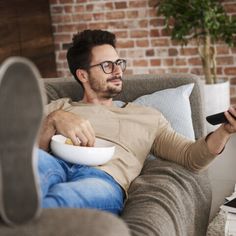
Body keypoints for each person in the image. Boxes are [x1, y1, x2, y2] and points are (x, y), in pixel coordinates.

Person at [0, 29, 235, 226]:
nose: (118, 70)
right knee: (32, 168)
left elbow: (191, 156)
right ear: (82, 74)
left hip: (103, 178)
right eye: (107, 65)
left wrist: (224, 131)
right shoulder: (58, 107)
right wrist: (53, 120)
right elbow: (29, 152)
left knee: (61, 199)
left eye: (118, 63)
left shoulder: (148, 117)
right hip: (55, 163)